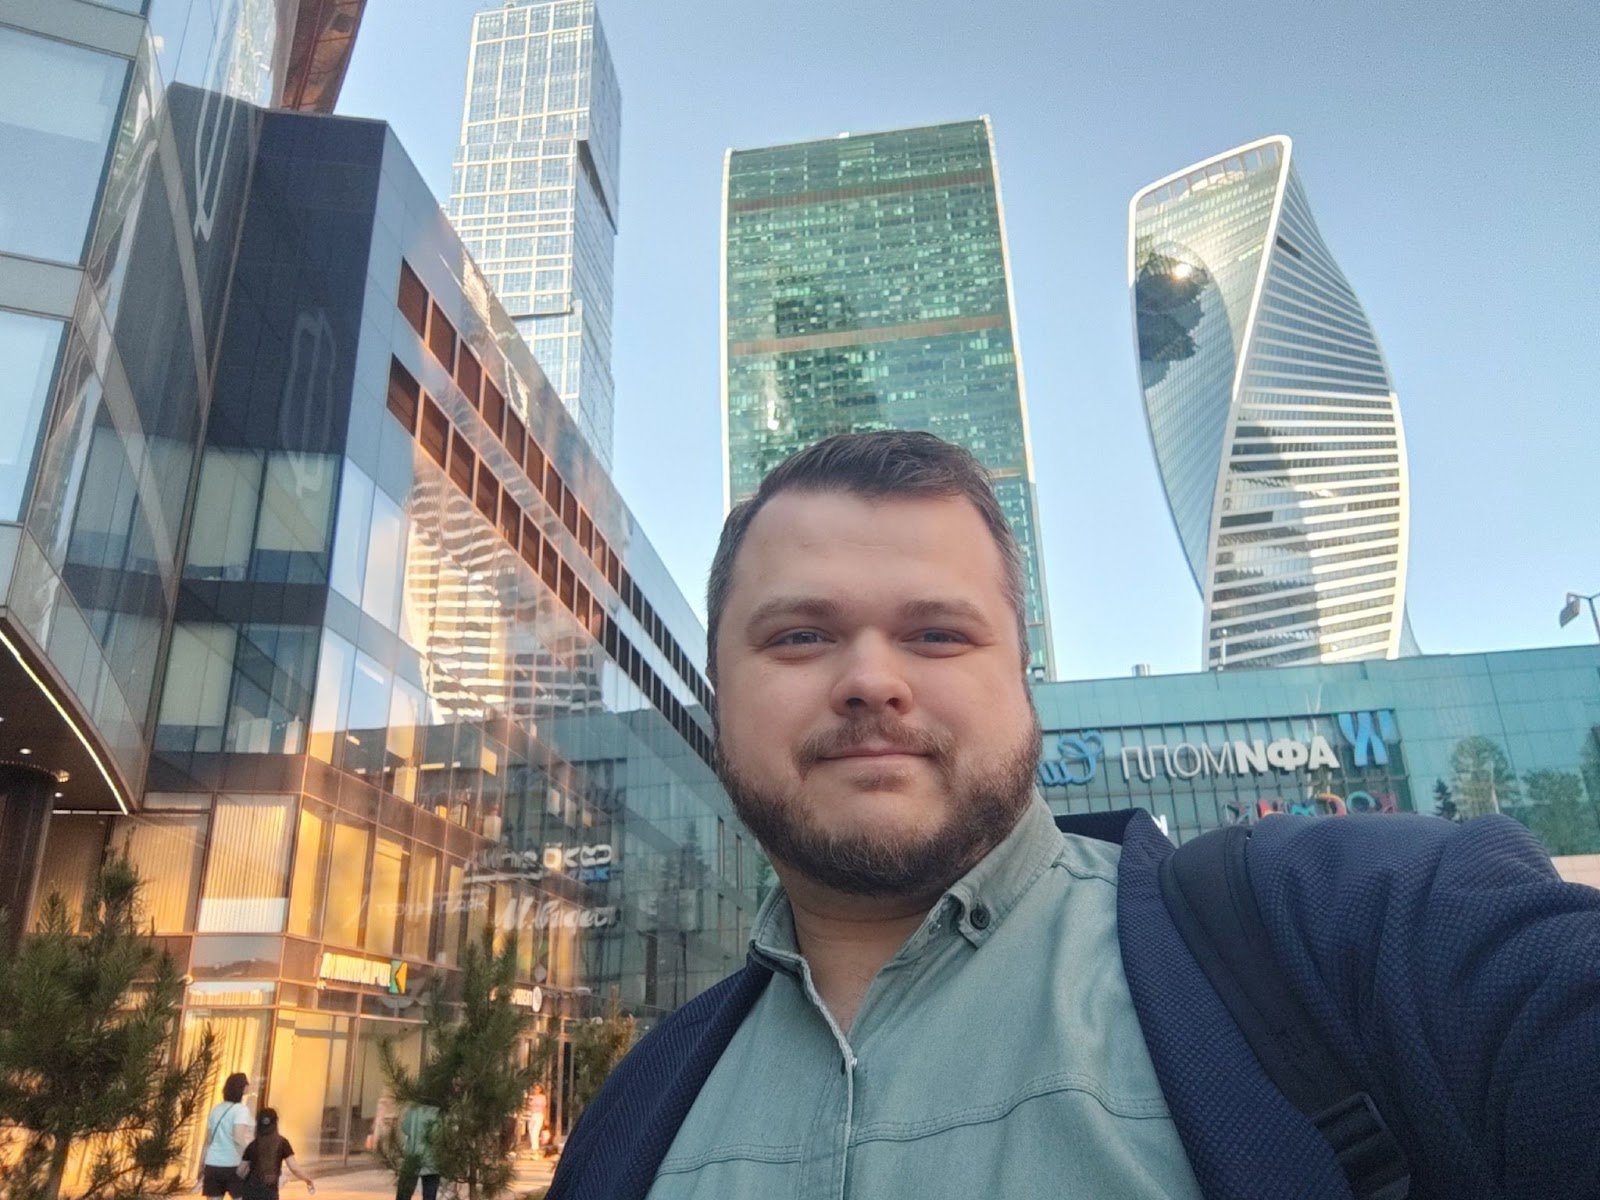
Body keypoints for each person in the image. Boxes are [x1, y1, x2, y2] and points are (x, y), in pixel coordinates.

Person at [547, 430, 1600, 1200]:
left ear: (1024, 681)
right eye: (799, 638)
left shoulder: (1348, 931)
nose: (871, 680)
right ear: (719, 695)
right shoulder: (633, 1117)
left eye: (937, 635)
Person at [237, 1108, 314, 1200]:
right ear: (275, 1123)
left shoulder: (253, 1145)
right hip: (269, 1192)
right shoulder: (282, 1143)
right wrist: (307, 1180)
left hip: (250, 1191)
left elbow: (240, 1171)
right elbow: (294, 1168)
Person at [198, 1072, 253, 1199]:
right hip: (233, 1164)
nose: (249, 1085)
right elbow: (238, 1138)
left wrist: (201, 1165)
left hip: (212, 1164)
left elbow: (208, 1141)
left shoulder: (215, 1109)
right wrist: (250, 1158)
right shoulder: (241, 1110)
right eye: (246, 1083)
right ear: (242, 1088)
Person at [395, 1102, 441, 1200]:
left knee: (404, 1193)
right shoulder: (439, 1109)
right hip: (433, 1159)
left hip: (413, 1155)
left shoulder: (413, 1107)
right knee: (429, 1195)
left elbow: (405, 1128)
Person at [522, 1084, 548, 1156]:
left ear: (540, 1090)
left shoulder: (542, 1097)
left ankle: (535, 1149)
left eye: (538, 1089)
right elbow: (527, 1106)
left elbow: (544, 1108)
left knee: (535, 1131)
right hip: (531, 1114)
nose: (536, 1090)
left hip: (539, 1114)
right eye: (535, 1089)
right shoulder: (530, 1097)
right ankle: (534, 1147)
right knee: (531, 1131)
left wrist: (545, 1118)